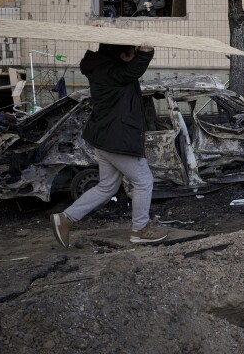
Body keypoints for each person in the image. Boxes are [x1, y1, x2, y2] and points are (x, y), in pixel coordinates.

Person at [51, 42, 167, 247]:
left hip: (105, 139)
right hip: (117, 139)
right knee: (144, 181)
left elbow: (130, 72)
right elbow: (133, 71)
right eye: (131, 52)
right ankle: (140, 230)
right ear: (122, 56)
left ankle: (65, 219)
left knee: (107, 187)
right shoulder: (114, 73)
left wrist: (136, 54)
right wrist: (145, 54)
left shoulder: (102, 68)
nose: (133, 54)